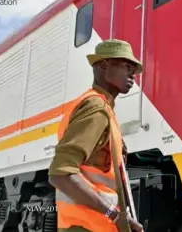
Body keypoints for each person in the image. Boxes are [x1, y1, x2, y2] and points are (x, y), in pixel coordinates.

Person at [48, 39, 144, 232]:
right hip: (88, 226)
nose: (132, 74)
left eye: (133, 68)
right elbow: (60, 174)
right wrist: (114, 215)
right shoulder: (96, 108)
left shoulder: (103, 109)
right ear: (103, 65)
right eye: (126, 66)